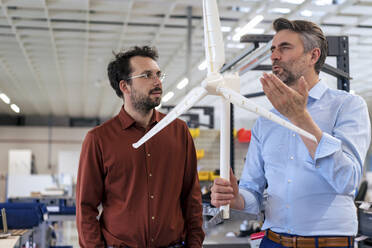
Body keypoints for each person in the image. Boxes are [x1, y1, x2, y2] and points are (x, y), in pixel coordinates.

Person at [211, 18, 371, 247]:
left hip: (328, 242)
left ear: (313, 56)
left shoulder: (347, 106)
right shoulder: (265, 121)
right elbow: (252, 194)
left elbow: (347, 181)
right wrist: (235, 198)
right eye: (273, 49)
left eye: (285, 48)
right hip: (273, 240)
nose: (274, 56)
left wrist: (300, 118)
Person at [76, 46, 204, 248]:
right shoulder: (98, 139)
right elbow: (86, 208)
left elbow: (192, 198)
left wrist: (195, 244)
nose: (157, 81)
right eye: (147, 75)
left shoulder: (178, 132)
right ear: (125, 86)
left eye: (158, 74)